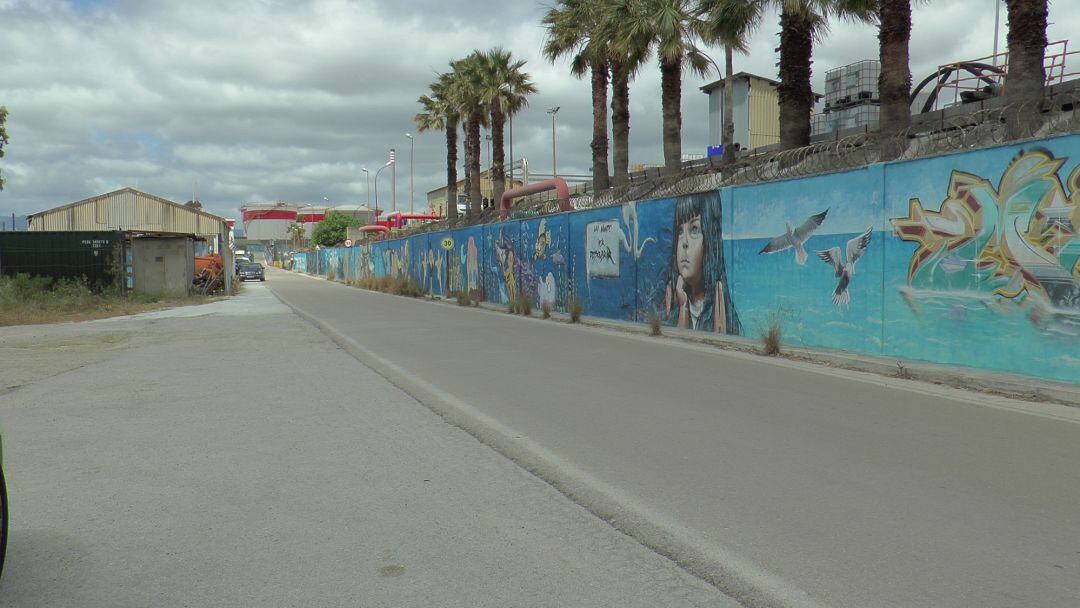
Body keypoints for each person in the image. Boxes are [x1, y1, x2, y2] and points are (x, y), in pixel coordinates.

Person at [664, 192, 740, 334]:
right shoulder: (675, 304)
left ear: (710, 239)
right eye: (680, 231)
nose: (684, 243)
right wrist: (682, 308)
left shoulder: (719, 311)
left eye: (694, 229)